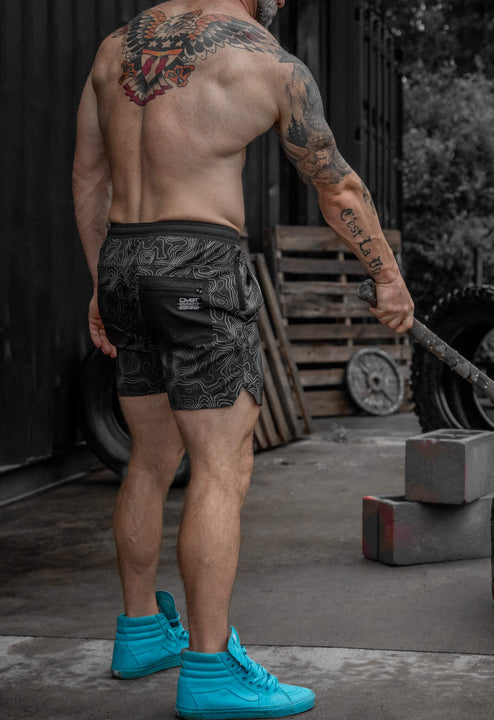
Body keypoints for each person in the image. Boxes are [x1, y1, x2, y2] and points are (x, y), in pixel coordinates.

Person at [72, 1, 414, 718]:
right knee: (221, 470)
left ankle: (140, 632)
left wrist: (103, 283)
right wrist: (387, 276)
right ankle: (209, 669)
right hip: (198, 265)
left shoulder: (114, 49)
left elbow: (88, 176)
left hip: (125, 258)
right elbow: (339, 188)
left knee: (149, 459)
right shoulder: (268, 63)